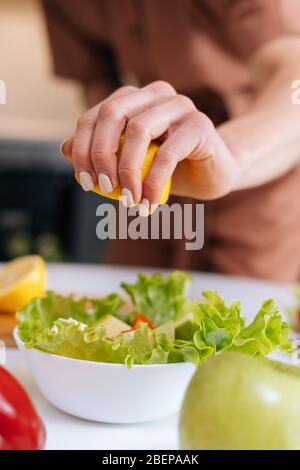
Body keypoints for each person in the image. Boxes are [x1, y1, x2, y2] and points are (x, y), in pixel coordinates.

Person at [42, 0, 300, 281]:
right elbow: (95, 79)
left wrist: (230, 157)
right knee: (125, 308)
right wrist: (114, 131)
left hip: (256, 173)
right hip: (148, 178)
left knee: (238, 317)